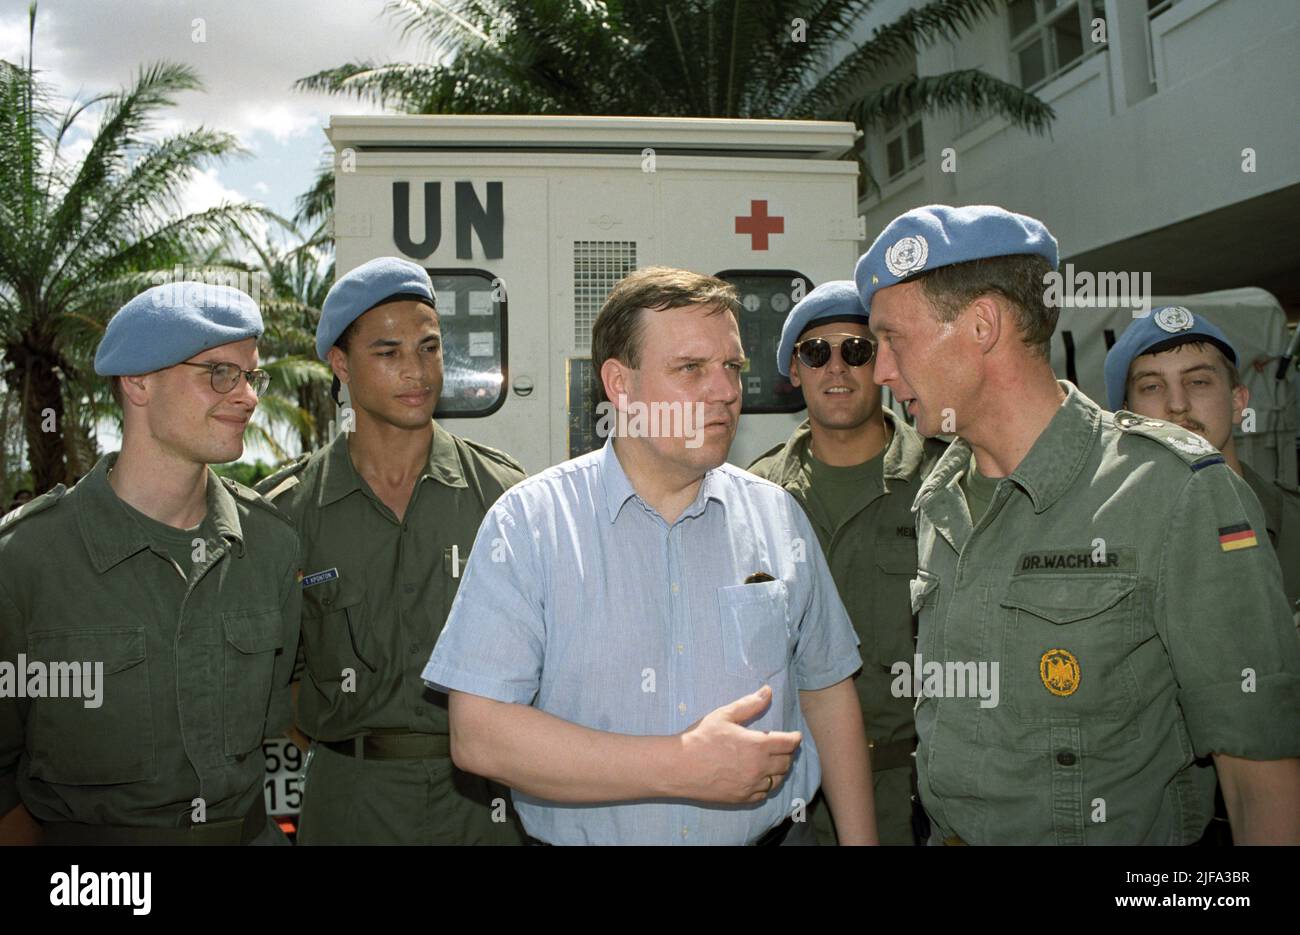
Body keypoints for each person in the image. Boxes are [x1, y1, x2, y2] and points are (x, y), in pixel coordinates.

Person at [857, 203, 1300, 845]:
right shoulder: (939, 499)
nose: (881, 371)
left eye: (894, 338)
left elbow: (1258, 777)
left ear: (982, 324)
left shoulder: (1172, 492)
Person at [423, 266, 875, 844]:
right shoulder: (531, 527)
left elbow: (826, 692)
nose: (726, 391)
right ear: (621, 384)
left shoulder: (777, 516)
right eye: (691, 368)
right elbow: (480, 736)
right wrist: (683, 764)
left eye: (732, 367)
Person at [0, 282, 300, 845]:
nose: (248, 397)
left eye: (250, 376)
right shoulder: (26, 561)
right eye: (218, 373)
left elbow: (276, 718)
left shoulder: (270, 546)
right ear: (137, 381)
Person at [256, 257, 527, 844]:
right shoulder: (286, 511)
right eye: (389, 352)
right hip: (350, 798)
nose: (418, 371)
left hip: (481, 800)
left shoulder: (502, 496)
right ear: (340, 364)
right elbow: (273, 681)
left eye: (429, 347)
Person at [748, 280, 945, 845]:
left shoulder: (944, 482)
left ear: (884, 362)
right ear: (795, 370)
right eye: (816, 352)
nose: (837, 368)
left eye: (857, 350)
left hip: (914, 789)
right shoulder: (757, 496)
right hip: (787, 793)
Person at [1104, 308, 1300, 621]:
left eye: (1198, 381)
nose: (1178, 404)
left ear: (1238, 402)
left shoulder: (1293, 521)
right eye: (1152, 386)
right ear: (1127, 421)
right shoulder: (1106, 546)